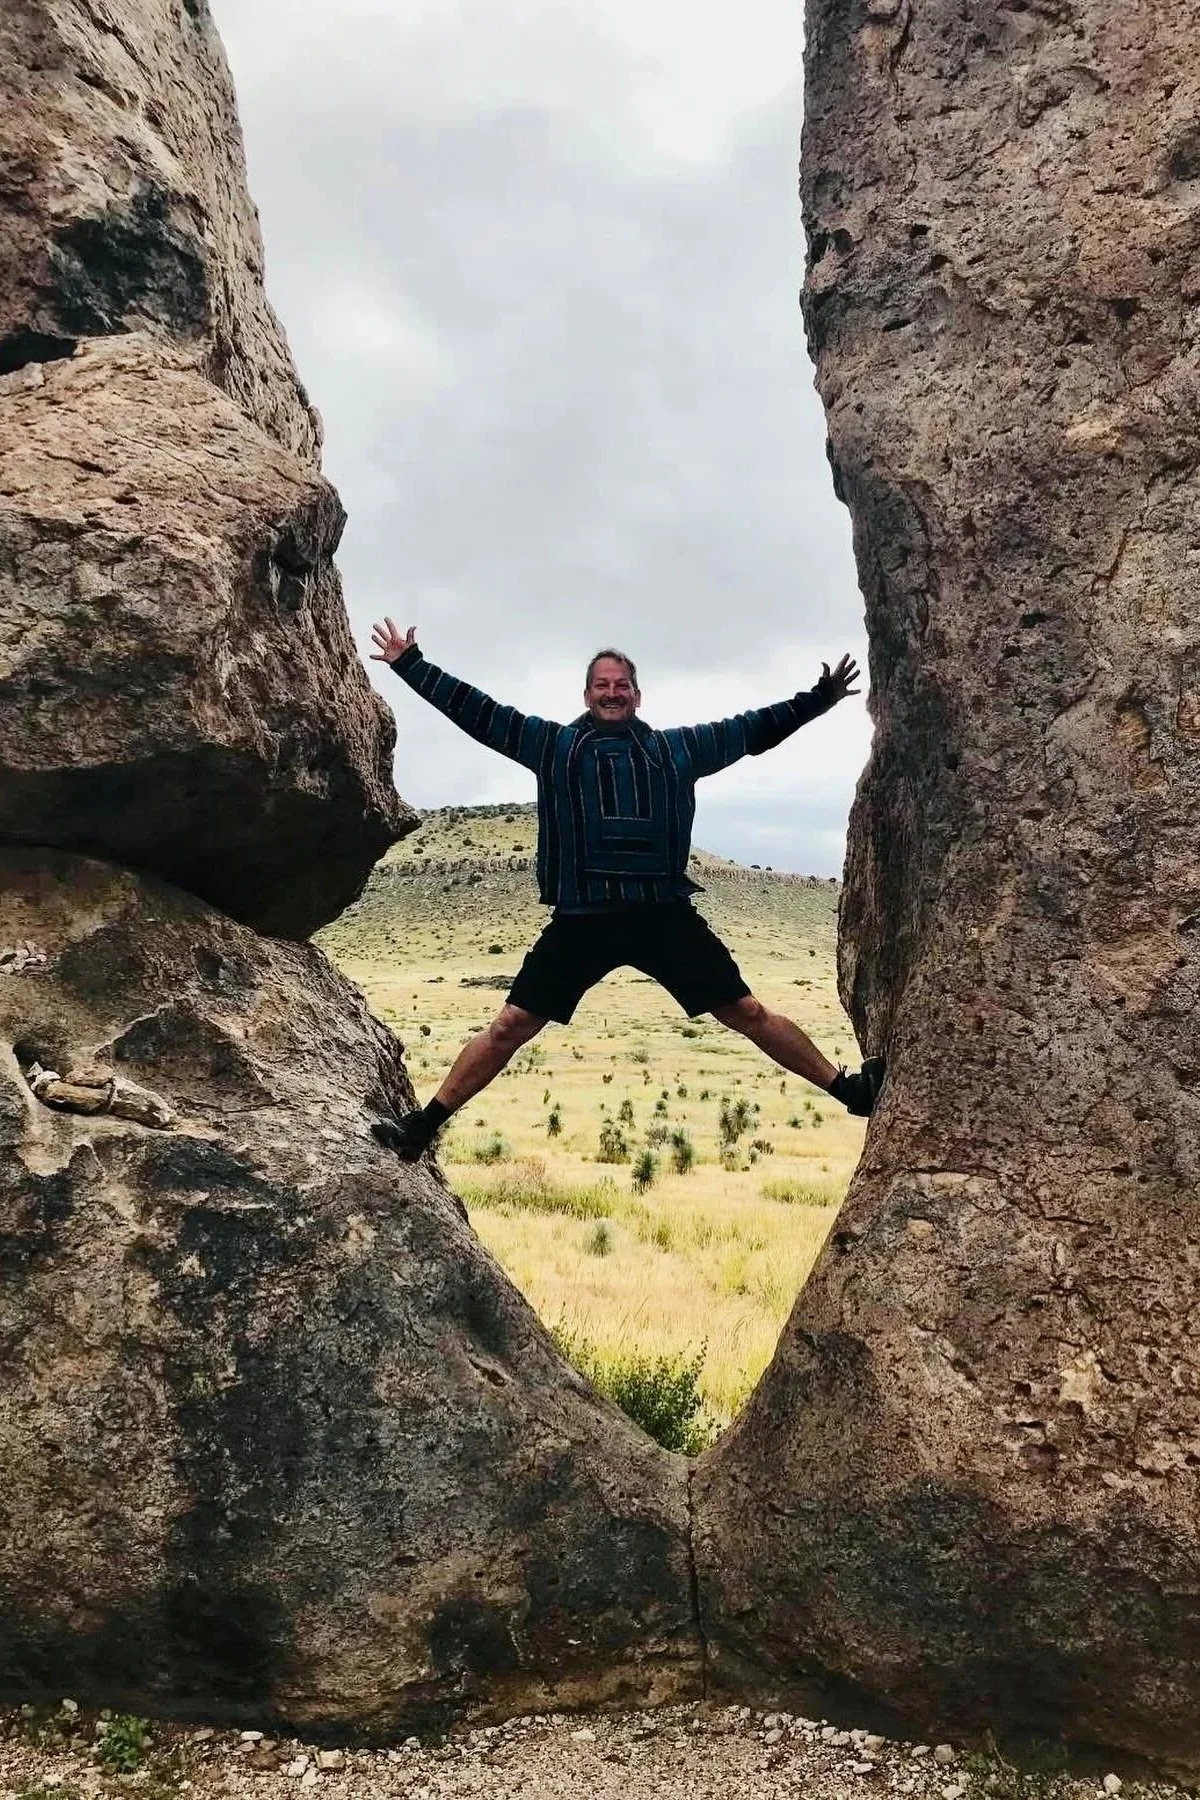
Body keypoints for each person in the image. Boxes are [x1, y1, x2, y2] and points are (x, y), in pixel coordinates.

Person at [368, 620, 885, 1161]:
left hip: (662, 916)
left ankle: (847, 1090)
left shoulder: (679, 750)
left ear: (636, 695)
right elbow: (480, 714)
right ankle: (421, 1129)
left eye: (621, 686)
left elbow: (751, 730)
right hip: (581, 920)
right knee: (510, 1026)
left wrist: (819, 699)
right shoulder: (552, 746)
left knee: (747, 1013)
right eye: (602, 685)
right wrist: (411, 664)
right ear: (587, 694)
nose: (612, 693)